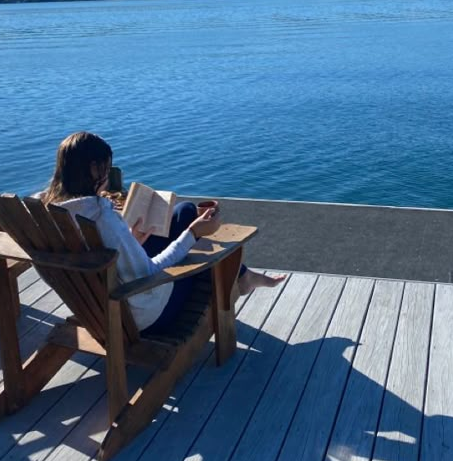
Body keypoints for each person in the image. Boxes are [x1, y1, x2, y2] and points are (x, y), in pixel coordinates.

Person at [40, 131, 284, 333]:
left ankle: (243, 276)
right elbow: (150, 273)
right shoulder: (101, 218)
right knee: (191, 222)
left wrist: (131, 240)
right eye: (106, 167)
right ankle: (242, 279)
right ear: (93, 169)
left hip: (93, 306)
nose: (107, 174)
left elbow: (98, 256)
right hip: (142, 313)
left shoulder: (51, 215)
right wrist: (193, 233)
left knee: (182, 211)